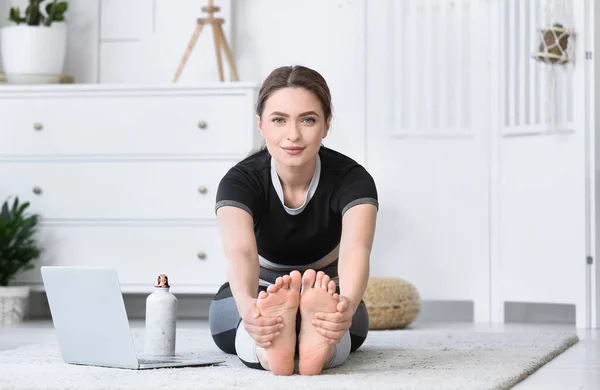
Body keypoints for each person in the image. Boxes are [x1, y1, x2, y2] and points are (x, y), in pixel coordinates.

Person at [208, 65, 378, 376]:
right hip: (262, 289)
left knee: (348, 320)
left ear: (326, 125)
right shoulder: (239, 181)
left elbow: (357, 250)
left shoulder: (353, 180)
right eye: (279, 120)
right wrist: (251, 311)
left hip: (328, 290)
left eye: (308, 120)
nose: (293, 135)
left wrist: (346, 309)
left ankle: (314, 344)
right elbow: (240, 252)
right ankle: (271, 347)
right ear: (261, 125)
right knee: (226, 316)